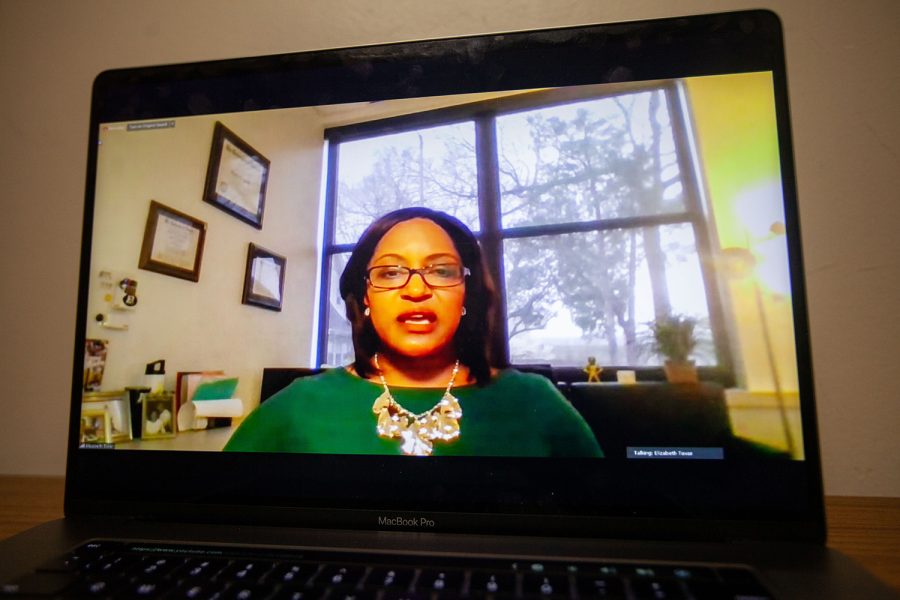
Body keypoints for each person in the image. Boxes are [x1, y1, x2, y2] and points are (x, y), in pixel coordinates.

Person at [225, 207, 602, 457]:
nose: (417, 289)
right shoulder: (298, 405)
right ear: (366, 296)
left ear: (466, 293)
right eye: (390, 272)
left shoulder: (535, 401)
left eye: (441, 270)